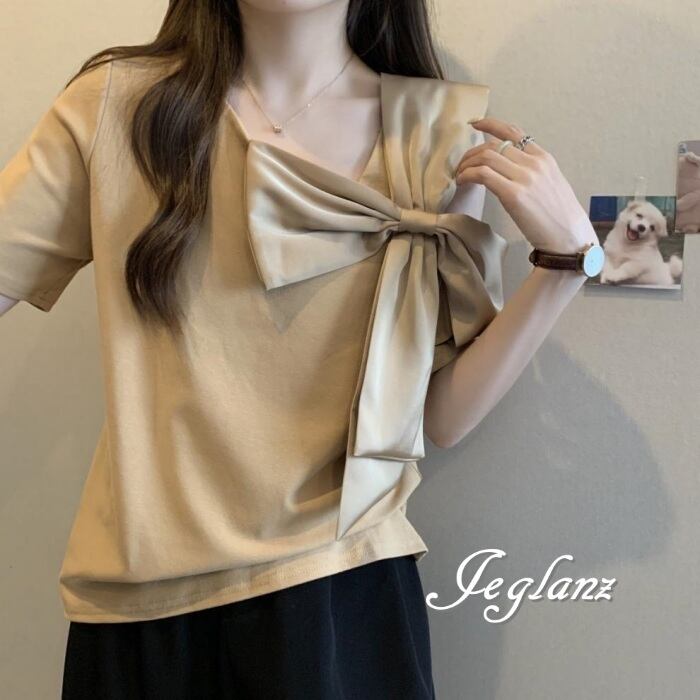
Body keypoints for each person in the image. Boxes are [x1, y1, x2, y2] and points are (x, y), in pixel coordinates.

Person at [0, 0, 600, 697]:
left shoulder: (435, 132)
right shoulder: (115, 106)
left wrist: (566, 265)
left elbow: (438, 415)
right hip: (138, 607)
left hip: (343, 598)